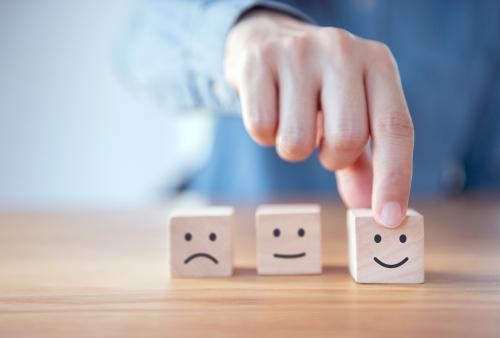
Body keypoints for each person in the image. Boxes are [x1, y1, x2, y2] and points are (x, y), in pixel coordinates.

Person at [117, 0, 500, 228]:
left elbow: (488, 187)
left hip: (408, 265)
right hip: (237, 252)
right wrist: (243, 28)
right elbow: (137, 43)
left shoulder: (480, 13)